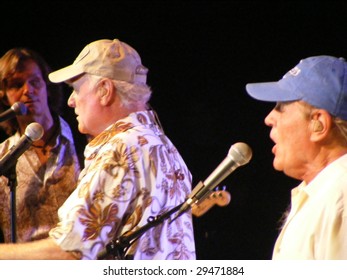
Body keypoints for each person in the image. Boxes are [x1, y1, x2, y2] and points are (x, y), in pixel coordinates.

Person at [0, 38, 196, 260]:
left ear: (104, 90)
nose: (71, 101)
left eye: (76, 89)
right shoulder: (164, 146)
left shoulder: (121, 151)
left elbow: (70, 255)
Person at [246, 55, 347, 259]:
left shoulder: (341, 200)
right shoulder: (323, 193)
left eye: (281, 106)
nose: (268, 118)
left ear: (318, 124)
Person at [0, 48, 81, 243]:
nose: (28, 90)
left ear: (46, 86)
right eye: (17, 84)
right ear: (4, 96)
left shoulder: (83, 139)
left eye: (35, 82)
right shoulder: (3, 156)